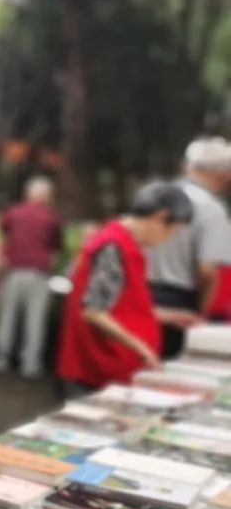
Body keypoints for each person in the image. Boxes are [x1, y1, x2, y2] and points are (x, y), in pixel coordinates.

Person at [57, 181, 199, 396]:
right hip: (97, 372)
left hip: (116, 369)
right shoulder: (113, 247)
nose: (167, 240)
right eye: (171, 232)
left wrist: (170, 316)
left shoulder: (128, 245)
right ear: (159, 217)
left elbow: (123, 306)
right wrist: (140, 346)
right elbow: (93, 310)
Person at [147, 137, 231, 357]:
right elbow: (207, 270)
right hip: (181, 302)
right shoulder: (211, 209)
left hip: (143, 295)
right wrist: (201, 313)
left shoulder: (157, 196)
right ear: (223, 176)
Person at [0, 177, 63, 378]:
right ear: (46, 195)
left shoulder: (13, 212)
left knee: (7, 316)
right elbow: (56, 251)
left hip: (13, 272)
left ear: (28, 193)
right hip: (39, 274)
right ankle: (30, 364)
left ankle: (0, 359)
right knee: (35, 320)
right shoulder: (51, 217)